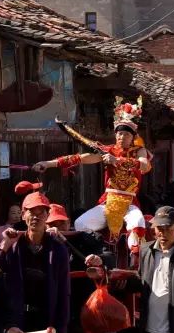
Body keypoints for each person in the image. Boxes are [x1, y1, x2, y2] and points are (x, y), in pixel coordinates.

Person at [33, 96, 152, 252]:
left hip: (129, 203)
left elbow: (144, 165)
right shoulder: (106, 151)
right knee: (81, 224)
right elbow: (79, 158)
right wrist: (48, 164)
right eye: (119, 133)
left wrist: (117, 161)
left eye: (127, 134)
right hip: (108, 202)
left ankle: (136, 264)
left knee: (138, 223)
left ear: (133, 137)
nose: (122, 137)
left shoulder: (139, 151)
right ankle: (99, 251)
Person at [0, 192, 70, 333]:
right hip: (14, 323)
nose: (36, 216)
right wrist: (3, 247)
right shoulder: (12, 245)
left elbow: (63, 292)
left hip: (43, 326)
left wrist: (60, 331)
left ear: (47, 216)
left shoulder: (58, 250)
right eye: (31, 212)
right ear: (23, 215)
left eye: (41, 212)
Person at [45, 204, 108, 333]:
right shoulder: (44, 245)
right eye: (53, 223)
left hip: (89, 316)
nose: (57, 227)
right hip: (61, 319)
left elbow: (101, 253)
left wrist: (66, 241)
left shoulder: (85, 237)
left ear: (69, 222)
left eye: (61, 223)